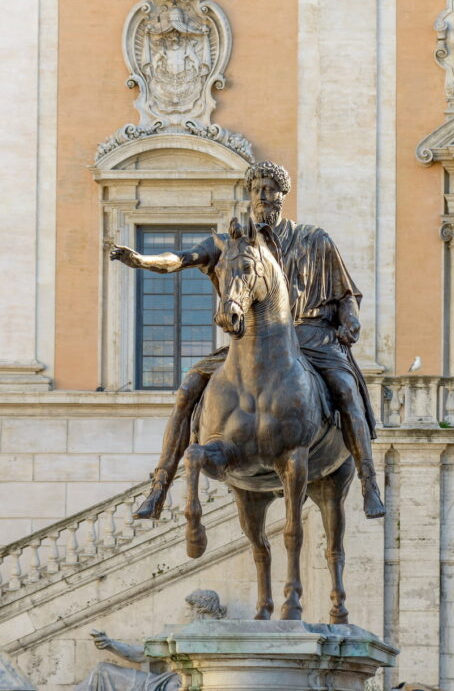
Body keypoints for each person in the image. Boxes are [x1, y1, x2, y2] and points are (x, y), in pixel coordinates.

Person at [110, 161, 385, 520]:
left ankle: (368, 481)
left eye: (270, 190)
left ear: (282, 195)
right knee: (189, 387)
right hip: (254, 342)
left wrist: (349, 319)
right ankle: (160, 486)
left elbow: (345, 293)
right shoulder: (230, 244)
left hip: (312, 337)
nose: (262, 197)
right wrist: (142, 259)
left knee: (346, 390)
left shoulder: (313, 239)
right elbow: (179, 259)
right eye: (256, 190)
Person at [74, 590, 226, 691]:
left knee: (102, 671)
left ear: (199, 610)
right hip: (165, 683)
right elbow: (140, 654)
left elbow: (139, 654)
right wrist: (110, 644)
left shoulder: (189, 634)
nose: (186, 614)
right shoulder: (185, 633)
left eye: (189, 609)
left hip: (168, 685)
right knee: (102, 671)